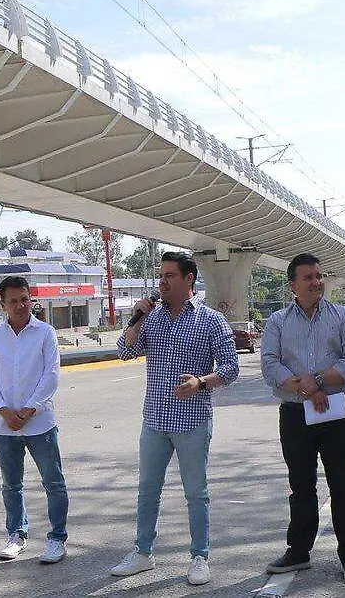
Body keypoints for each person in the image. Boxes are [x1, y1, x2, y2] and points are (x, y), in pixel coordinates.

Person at [108, 251, 239, 586]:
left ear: (188, 280)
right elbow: (125, 351)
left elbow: (230, 367)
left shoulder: (210, 320)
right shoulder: (151, 318)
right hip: (154, 420)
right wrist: (136, 318)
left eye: (169, 276)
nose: (162, 282)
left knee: (196, 492)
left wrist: (201, 382)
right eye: (161, 275)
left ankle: (199, 556)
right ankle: (142, 553)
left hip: (192, 421)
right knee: (148, 488)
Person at [260, 253, 345, 585]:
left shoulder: (343, 316)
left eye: (318, 276)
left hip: (335, 414)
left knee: (342, 487)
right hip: (295, 415)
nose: (316, 282)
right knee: (301, 487)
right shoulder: (277, 321)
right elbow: (269, 364)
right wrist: (309, 389)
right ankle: (298, 552)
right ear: (293, 285)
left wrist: (317, 381)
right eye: (308, 277)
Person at [0, 275, 69, 564]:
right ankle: (16, 535)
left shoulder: (45, 333)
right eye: (14, 301)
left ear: (31, 300)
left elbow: (51, 375)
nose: (21, 305)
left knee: (53, 482)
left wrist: (30, 409)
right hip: (5, 427)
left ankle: (57, 539)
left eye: (25, 299)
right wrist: (3, 410)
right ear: (3, 304)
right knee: (11, 485)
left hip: (40, 423)